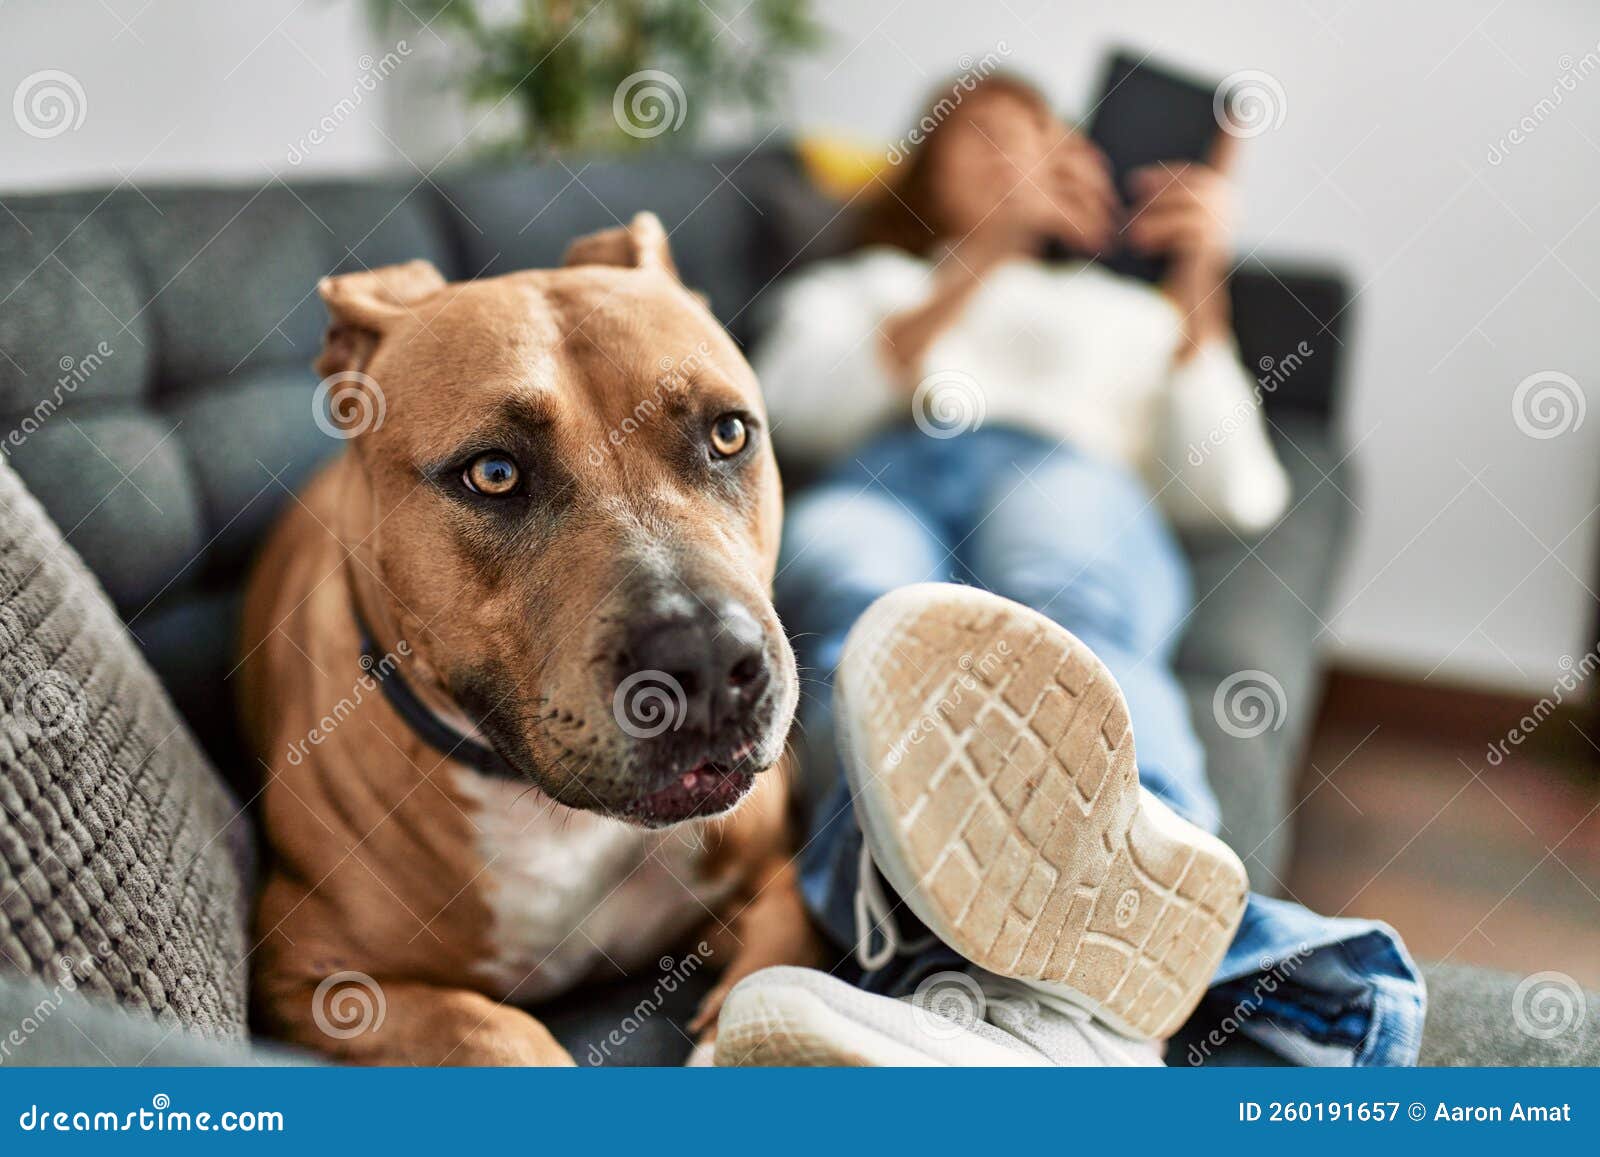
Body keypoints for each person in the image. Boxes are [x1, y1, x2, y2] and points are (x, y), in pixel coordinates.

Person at [712, 73, 1424, 1067]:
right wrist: (976, 262)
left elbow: (1235, 490)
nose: (1020, 158)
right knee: (855, 609)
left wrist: (1195, 284)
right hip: (887, 468)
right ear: (924, 167)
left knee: (1067, 598)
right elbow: (789, 408)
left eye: (1044, 140)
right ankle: (1031, 1011)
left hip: (1062, 466)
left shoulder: (1122, 313)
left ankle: (1130, 882)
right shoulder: (866, 279)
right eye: (988, 137)